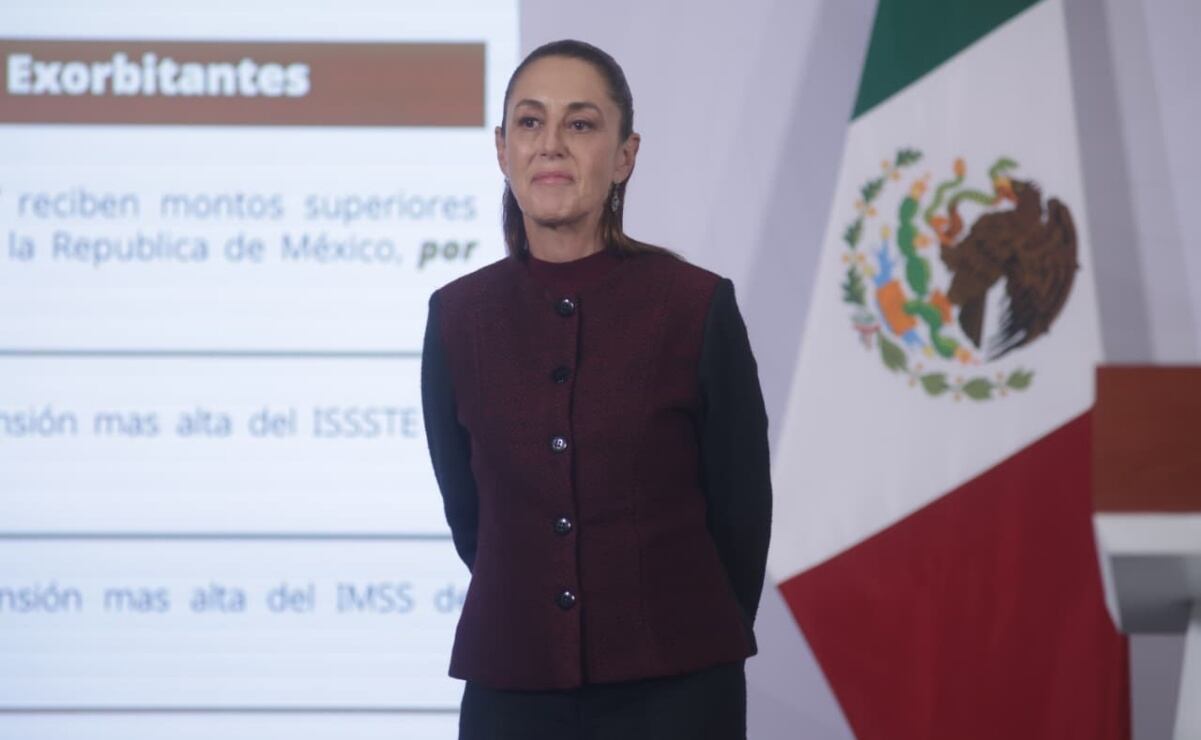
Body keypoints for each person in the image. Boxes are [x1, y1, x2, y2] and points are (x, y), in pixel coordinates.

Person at [420, 38, 772, 740]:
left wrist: (675, 633)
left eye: (579, 124)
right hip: (512, 687)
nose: (551, 144)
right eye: (529, 122)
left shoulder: (694, 306)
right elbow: (471, 520)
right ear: (500, 149)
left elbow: (740, 515)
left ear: (623, 156)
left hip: (677, 690)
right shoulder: (458, 316)